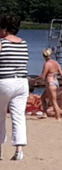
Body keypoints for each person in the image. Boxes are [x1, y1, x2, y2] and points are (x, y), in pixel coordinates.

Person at [0, 15, 29, 160]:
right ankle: (19, 150)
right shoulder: (23, 43)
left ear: (4, 29)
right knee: (18, 116)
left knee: (0, 117)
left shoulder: (1, 43)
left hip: (4, 81)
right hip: (22, 82)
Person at [40, 48, 62, 120]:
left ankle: (58, 117)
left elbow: (43, 76)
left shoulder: (47, 64)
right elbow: (61, 73)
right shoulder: (55, 62)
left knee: (53, 101)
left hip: (50, 83)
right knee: (43, 97)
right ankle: (45, 113)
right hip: (55, 82)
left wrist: (34, 80)